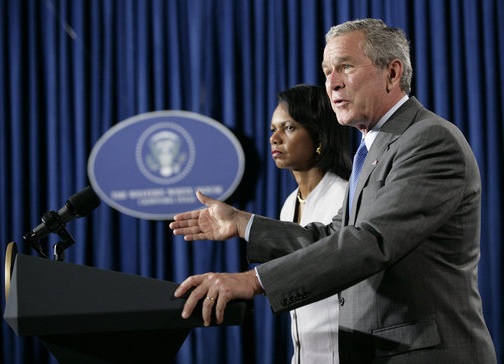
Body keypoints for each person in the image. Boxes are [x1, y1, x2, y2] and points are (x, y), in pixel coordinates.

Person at [170, 18, 497, 363]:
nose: (332, 83)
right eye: (327, 71)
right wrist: (243, 223)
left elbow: (372, 242)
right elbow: (333, 235)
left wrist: (255, 281)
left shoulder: (428, 140)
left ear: (393, 73)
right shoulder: (373, 149)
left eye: (345, 67)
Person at [270, 84, 351, 363]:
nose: (275, 138)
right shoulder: (288, 205)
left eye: (289, 128)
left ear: (318, 136)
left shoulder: (345, 197)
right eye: (273, 129)